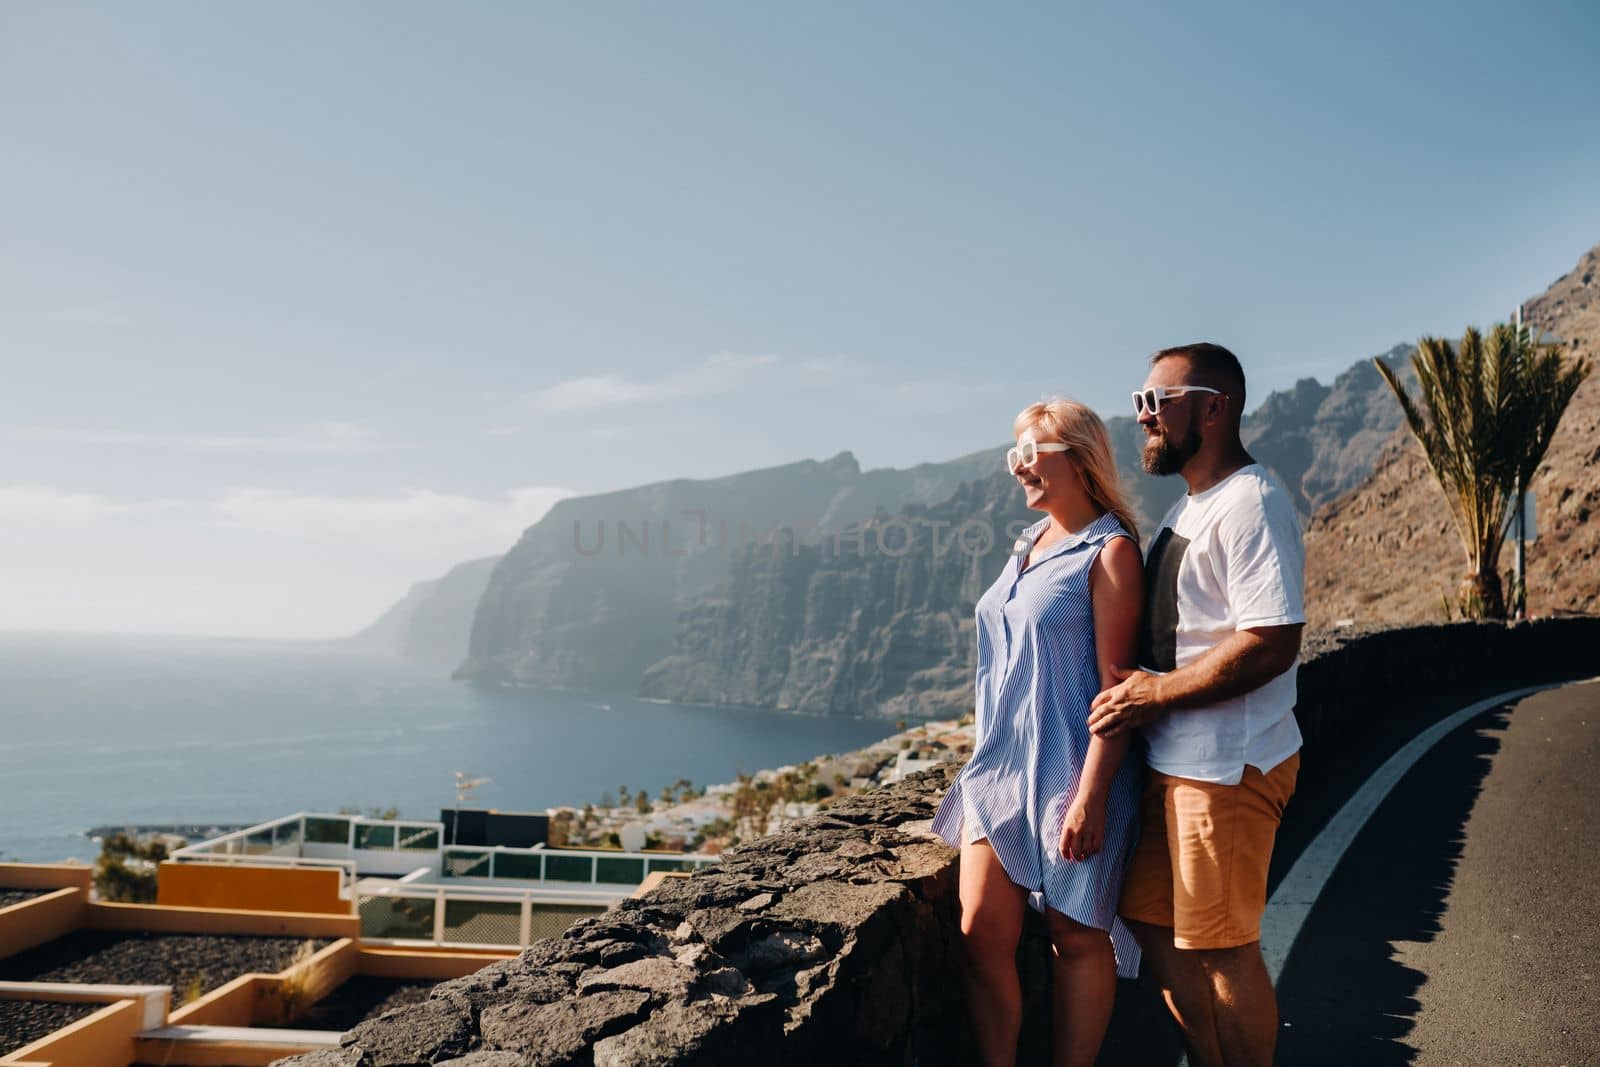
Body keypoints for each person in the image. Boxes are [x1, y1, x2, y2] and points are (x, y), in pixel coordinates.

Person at [1088, 343, 1305, 1067]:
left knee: (1223, 949)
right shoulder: (1191, 507)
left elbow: (1271, 640)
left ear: (1216, 408)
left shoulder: (1253, 502)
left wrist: (1154, 692)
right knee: (1152, 924)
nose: (1143, 415)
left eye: (1160, 401)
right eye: (1139, 400)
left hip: (1226, 769)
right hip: (1174, 765)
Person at [931, 398, 1146, 1067]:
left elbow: (1117, 688)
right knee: (978, 933)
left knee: (1075, 940)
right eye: (1012, 452)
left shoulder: (1109, 552)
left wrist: (1092, 793)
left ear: (1078, 458)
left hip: (1072, 769)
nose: (1017, 466)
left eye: (1031, 451)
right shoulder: (1028, 545)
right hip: (998, 772)